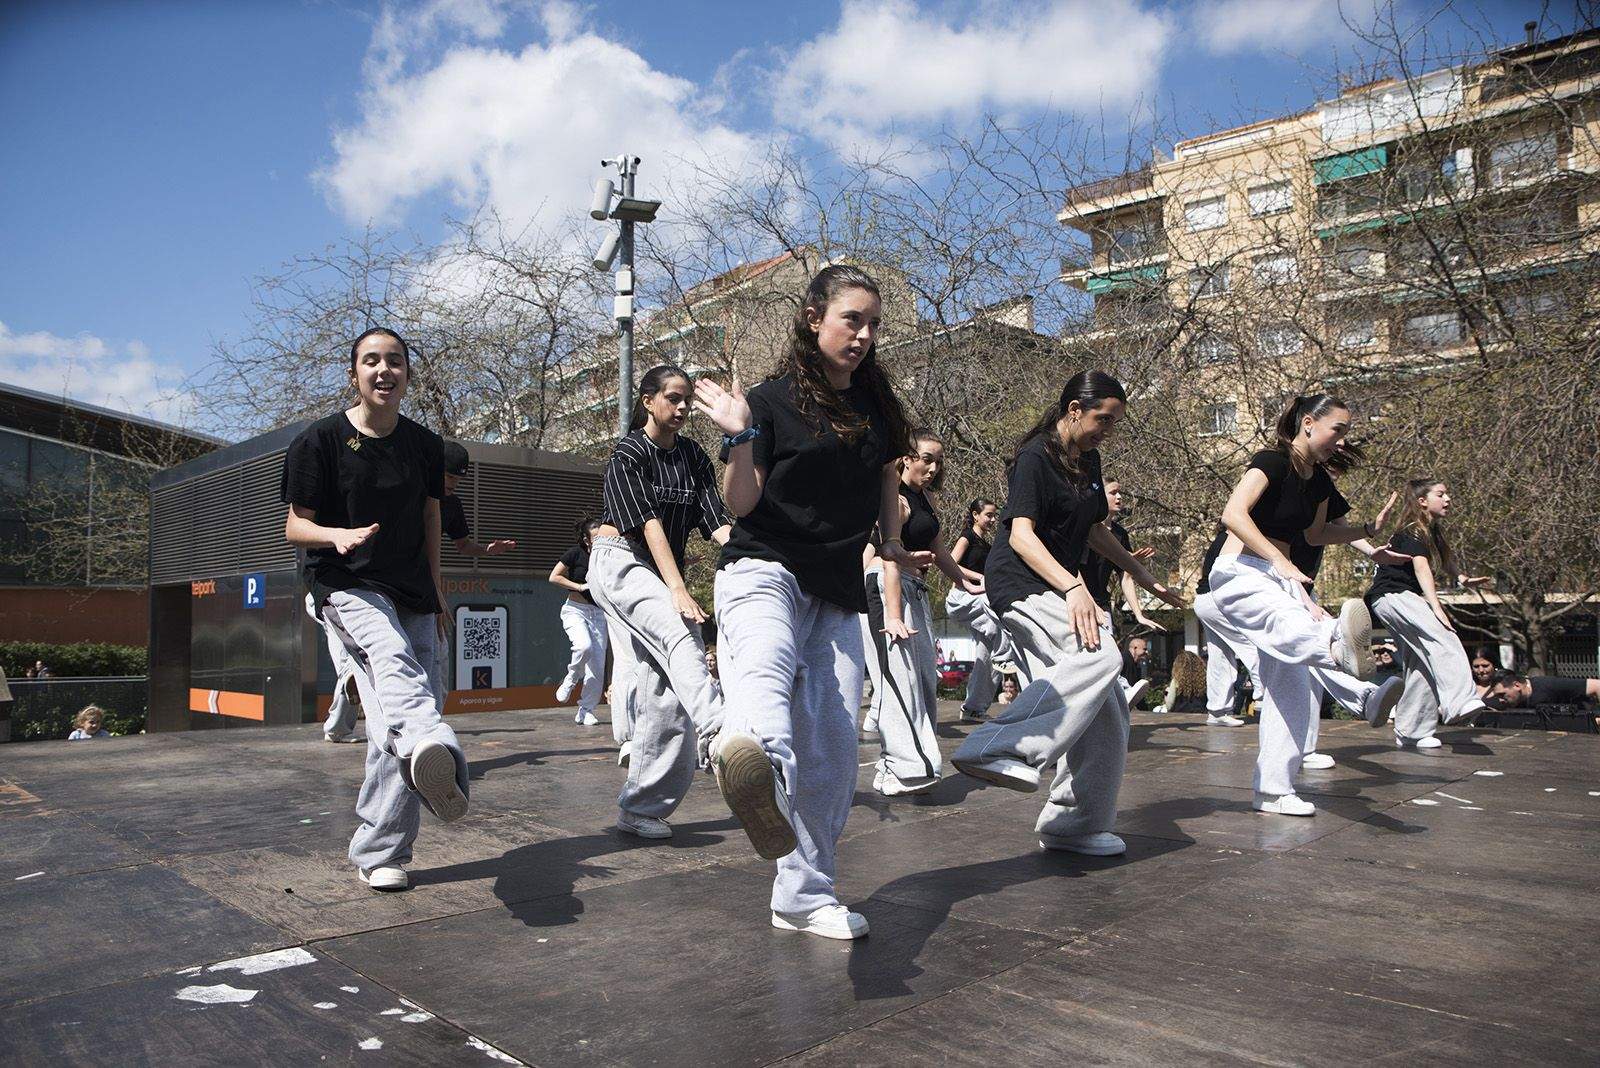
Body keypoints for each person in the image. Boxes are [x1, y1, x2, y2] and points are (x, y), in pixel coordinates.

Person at [695, 263, 921, 941]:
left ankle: (803, 895)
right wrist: (737, 437)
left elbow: (887, 475)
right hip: (763, 570)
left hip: (835, 589)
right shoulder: (767, 402)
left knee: (831, 750)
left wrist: (891, 543)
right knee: (764, 683)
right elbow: (741, 503)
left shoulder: (877, 409)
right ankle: (744, 759)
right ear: (813, 318)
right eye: (852, 318)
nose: (863, 334)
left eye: (873, 324)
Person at [950, 371, 1184, 857]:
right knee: (1101, 661)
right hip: (1021, 583)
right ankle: (995, 744)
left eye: (1115, 422)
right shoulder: (1035, 455)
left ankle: (1072, 823)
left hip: (1058, 584)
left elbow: (1094, 529)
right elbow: (1020, 536)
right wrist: (1074, 586)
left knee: (1109, 706)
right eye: (1102, 418)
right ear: (1074, 409)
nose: (1108, 430)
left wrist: (1139, 574)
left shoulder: (1089, 460)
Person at [281, 326, 469, 893]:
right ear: (354, 375)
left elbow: (433, 517)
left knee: (399, 712)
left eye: (394, 362)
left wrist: (437, 587)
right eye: (371, 362)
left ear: (408, 374)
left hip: (411, 587)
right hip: (345, 583)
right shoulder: (319, 443)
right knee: (392, 665)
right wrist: (335, 535)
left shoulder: (424, 445)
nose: (383, 371)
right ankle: (431, 746)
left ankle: (380, 849)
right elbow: (294, 525)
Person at [1207, 393, 1400, 817]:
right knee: (1289, 622)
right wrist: (1278, 559)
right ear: (1309, 423)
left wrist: (1367, 534)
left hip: (1281, 575)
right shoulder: (1271, 461)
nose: (1343, 442)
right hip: (1240, 568)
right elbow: (1233, 514)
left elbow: (1315, 537)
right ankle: (1339, 649)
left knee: (1291, 685)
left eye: (1347, 434)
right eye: (1338, 431)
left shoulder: (1319, 483)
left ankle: (1274, 790)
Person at [589, 364, 732, 841]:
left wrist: (759, 556)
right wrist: (676, 588)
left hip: (659, 569)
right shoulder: (628, 452)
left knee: (665, 693)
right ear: (648, 400)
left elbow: (716, 523)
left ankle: (641, 805)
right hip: (620, 562)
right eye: (673, 397)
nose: (683, 407)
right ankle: (719, 735)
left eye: (687, 399)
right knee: (681, 633)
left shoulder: (693, 455)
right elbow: (647, 525)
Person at [865, 428, 984, 796]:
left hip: (914, 589)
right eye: (926, 458)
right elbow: (886, 560)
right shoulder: (895, 501)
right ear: (907, 458)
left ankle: (907, 764)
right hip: (888, 588)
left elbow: (941, 553)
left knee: (924, 682)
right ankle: (897, 767)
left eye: (938, 460)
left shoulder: (925, 501)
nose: (933, 467)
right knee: (898, 680)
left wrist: (969, 581)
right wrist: (894, 615)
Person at [1365, 478, 1492, 749]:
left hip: (1387, 599)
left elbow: (1447, 561)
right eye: (1441, 494)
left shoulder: (1431, 531)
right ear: (1422, 501)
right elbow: (1422, 569)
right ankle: (1459, 701)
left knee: (1421, 663)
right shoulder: (1413, 531)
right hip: (1395, 595)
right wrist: (1437, 609)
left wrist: (1463, 579)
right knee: (1443, 636)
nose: (1448, 500)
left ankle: (1412, 730)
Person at [946, 497, 1019, 721]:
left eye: (994, 515)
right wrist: (981, 577)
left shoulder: (988, 545)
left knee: (986, 655)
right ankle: (1005, 654)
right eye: (988, 515)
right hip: (962, 599)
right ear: (975, 515)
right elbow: (949, 562)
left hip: (979, 601)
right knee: (1001, 610)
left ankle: (973, 708)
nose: (992, 519)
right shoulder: (967, 537)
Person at [549, 518, 608, 729]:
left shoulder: (606, 556)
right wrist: (579, 586)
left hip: (599, 615)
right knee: (584, 646)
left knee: (597, 667)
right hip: (575, 610)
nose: (601, 540)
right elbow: (554, 577)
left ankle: (586, 710)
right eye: (596, 537)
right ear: (586, 539)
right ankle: (571, 677)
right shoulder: (575, 553)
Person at [1487, 670, 1599, 708]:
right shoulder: (1510, 702)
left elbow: (1597, 685)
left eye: (1502, 695)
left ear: (1517, 686)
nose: (1500, 700)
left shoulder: (1549, 685)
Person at [1156, 650, 1208, 715]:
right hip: (1201, 716)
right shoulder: (1205, 680)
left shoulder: (1177, 681)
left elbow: (1169, 705)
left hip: (1179, 717)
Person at [1121, 635, 1153, 709]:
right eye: (1144, 649)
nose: (1146, 652)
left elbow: (1136, 688)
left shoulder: (1136, 665)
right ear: (1135, 648)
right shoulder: (1123, 659)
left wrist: (1145, 710)